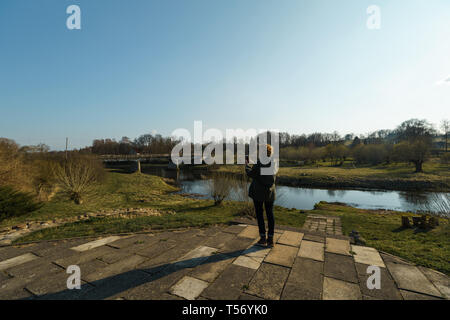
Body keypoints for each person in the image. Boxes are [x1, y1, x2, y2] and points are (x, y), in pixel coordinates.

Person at [245, 144, 277, 247]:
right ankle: (271, 239)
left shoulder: (259, 163)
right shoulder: (274, 162)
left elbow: (251, 174)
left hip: (258, 192)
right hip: (270, 192)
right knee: (270, 214)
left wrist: (247, 165)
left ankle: (263, 238)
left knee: (259, 214)